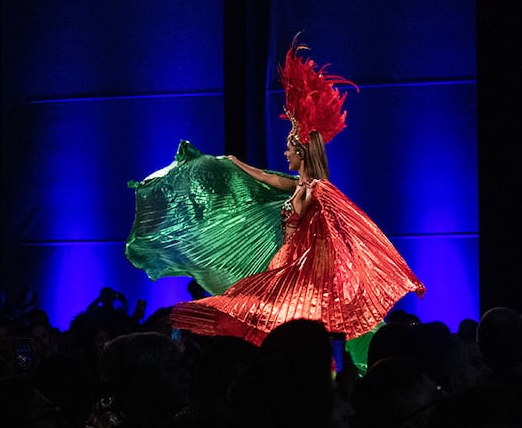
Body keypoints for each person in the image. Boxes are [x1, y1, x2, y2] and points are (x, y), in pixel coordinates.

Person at [134, 38, 425, 345]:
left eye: (289, 149)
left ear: (301, 151)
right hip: (283, 266)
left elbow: (344, 227)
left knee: (262, 315)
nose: (286, 155)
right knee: (256, 316)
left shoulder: (319, 190)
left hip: (303, 274)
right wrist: (236, 164)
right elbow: (267, 178)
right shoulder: (299, 185)